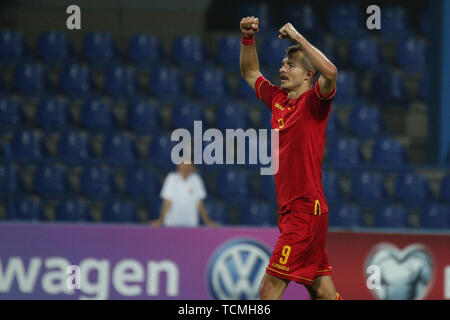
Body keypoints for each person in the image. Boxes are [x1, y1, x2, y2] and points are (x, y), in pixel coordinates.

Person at [239, 16, 343, 300]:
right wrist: (247, 39)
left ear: (308, 76)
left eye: (291, 65)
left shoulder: (314, 104)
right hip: (293, 212)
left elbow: (331, 72)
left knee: (269, 288)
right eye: (283, 64)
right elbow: (250, 73)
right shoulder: (278, 101)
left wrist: (298, 38)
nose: (282, 69)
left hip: (305, 212)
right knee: (323, 293)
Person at [150, 160, 219, 228]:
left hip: (191, 224)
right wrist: (161, 220)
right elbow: (167, 202)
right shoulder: (171, 178)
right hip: (172, 223)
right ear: (178, 167)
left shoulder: (196, 179)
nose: (185, 169)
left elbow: (199, 204)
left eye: (188, 166)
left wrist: (208, 222)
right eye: (183, 166)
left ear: (192, 168)